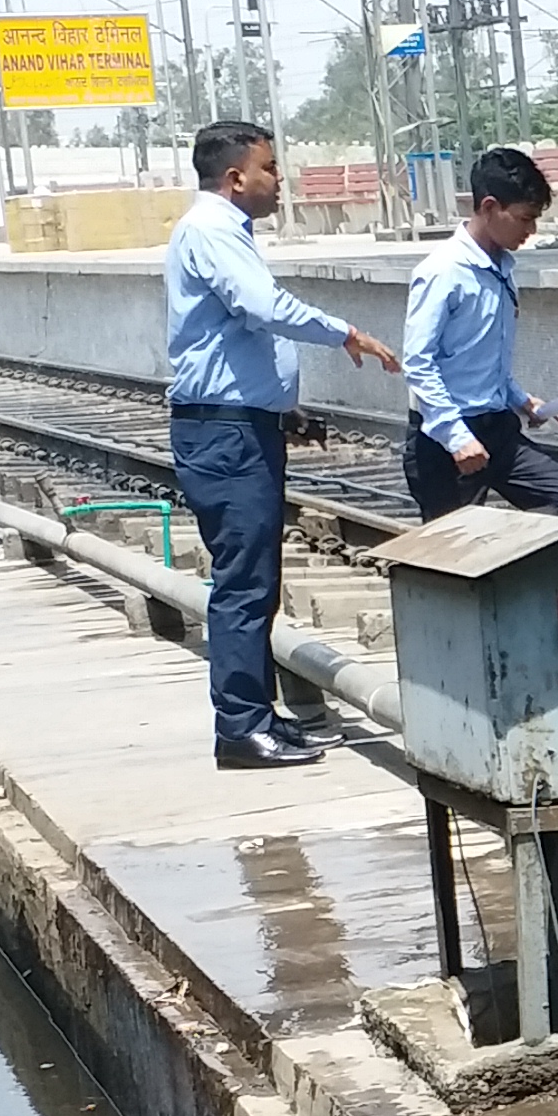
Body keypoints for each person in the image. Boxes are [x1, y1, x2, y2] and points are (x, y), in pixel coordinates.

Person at [165, 120, 400, 772]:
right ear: (236, 177)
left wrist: (282, 408)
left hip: (241, 425)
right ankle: (240, 729)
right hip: (224, 430)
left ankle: (261, 716)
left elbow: (242, 330)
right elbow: (261, 307)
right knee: (243, 582)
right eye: (270, 170)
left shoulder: (222, 231)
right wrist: (343, 331)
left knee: (257, 579)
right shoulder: (212, 230)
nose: (278, 183)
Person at [399, 146, 558, 526]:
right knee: (454, 549)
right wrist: (456, 438)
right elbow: (418, 363)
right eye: (524, 219)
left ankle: (507, 562)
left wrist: (520, 399)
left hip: (497, 428)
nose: (531, 231)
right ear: (488, 207)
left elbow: (481, 353)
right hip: (445, 438)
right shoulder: (443, 272)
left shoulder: (500, 267)